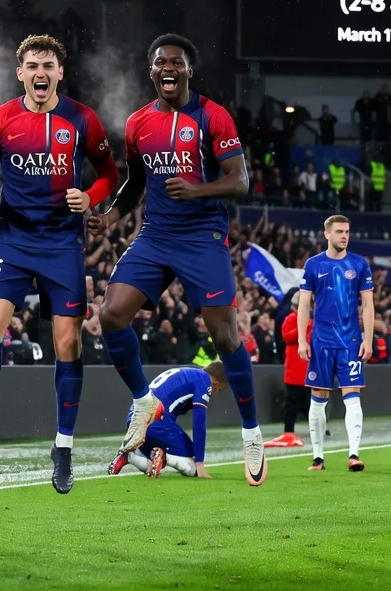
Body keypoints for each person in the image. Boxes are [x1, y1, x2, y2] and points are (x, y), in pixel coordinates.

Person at [85, 33, 265, 487]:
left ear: (188, 71)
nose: (169, 68)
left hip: (203, 236)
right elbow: (135, 184)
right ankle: (144, 400)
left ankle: (252, 431)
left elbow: (240, 181)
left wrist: (198, 190)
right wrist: (110, 217)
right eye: (161, 61)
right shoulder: (138, 123)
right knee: (111, 314)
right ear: (151, 72)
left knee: (224, 335)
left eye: (177, 63)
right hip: (157, 235)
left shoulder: (212, 116)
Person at [0, 34, 119, 494]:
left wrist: (89, 196)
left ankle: (63, 446)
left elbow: (110, 173)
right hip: (12, 237)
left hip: (61, 243)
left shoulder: (82, 119)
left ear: (59, 73)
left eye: (48, 66)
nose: (40, 73)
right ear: (20, 73)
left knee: (67, 342)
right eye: (32, 66)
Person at [297, 215, 374, 472]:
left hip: (351, 341)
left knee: (353, 397)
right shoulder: (313, 264)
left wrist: (368, 338)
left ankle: (354, 455)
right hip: (321, 342)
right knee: (318, 398)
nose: (345, 236)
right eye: (340, 231)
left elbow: (368, 305)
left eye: (347, 231)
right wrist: (301, 340)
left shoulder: (360, 265)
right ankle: (318, 457)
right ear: (327, 234)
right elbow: (304, 304)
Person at [108, 362, 226, 479]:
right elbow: (199, 422)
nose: (215, 393)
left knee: (152, 462)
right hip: (156, 421)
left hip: (134, 419)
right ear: (216, 383)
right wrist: (200, 462)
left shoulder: (191, 372)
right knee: (192, 462)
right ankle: (165, 457)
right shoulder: (204, 381)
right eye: (219, 389)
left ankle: (129, 456)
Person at [265, 308, 308, 448]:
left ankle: (317, 429)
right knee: (292, 403)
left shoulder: (313, 320)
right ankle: (288, 432)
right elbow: (287, 337)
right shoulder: (291, 319)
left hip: (308, 367)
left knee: (310, 404)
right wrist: (304, 327)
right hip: (295, 368)